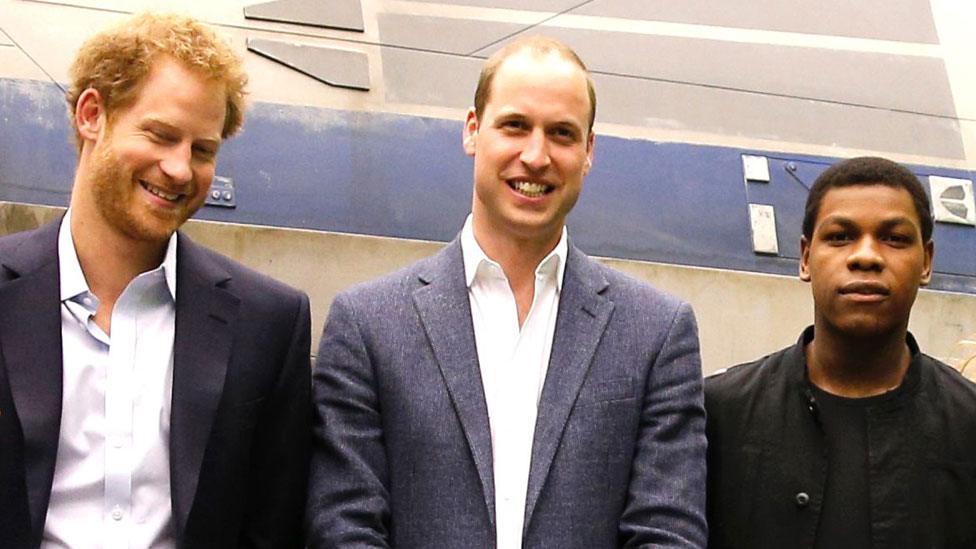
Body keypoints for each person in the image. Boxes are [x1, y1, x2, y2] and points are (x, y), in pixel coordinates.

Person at [306, 36, 707, 548]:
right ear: (473, 131)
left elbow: (666, 531)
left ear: (588, 152)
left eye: (562, 134)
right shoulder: (368, 324)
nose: (536, 156)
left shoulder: (656, 332)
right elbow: (344, 526)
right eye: (515, 126)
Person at [0, 13, 310, 548]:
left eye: (203, 150)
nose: (181, 170)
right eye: (161, 135)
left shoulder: (269, 324)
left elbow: (274, 528)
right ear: (91, 114)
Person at [706, 156, 976, 548]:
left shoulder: (968, 427)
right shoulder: (717, 415)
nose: (865, 256)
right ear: (805, 258)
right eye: (839, 236)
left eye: (895, 238)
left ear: (927, 262)